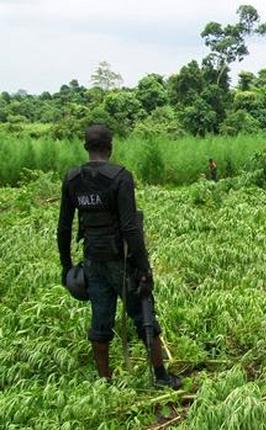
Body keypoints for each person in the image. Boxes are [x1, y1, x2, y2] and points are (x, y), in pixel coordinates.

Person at [57, 125, 181, 389]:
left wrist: (66, 267)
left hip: (92, 261)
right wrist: (144, 268)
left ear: (86, 147)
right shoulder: (120, 177)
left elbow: (64, 228)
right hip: (121, 261)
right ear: (110, 146)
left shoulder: (72, 179)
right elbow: (130, 227)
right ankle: (161, 376)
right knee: (143, 315)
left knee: (100, 321)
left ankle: (105, 382)